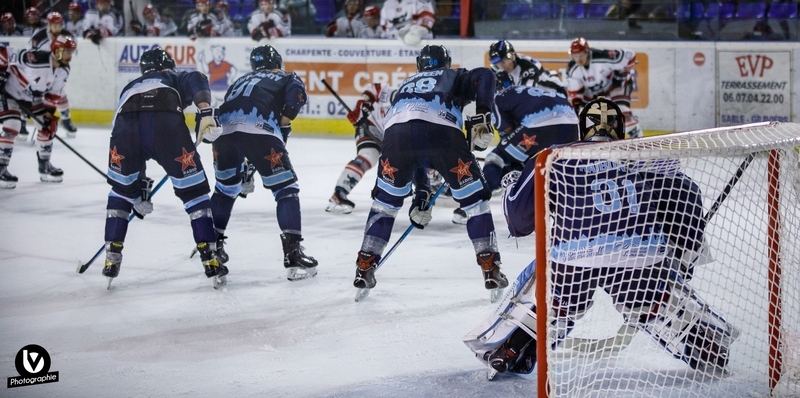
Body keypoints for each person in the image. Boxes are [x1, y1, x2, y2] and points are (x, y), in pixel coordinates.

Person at [464, 98, 738, 376]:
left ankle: (511, 349)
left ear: (582, 131)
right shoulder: (646, 155)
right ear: (620, 131)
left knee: (554, 299)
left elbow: (519, 221)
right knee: (655, 301)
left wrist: (512, 185)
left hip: (573, 255)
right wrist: (682, 258)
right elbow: (687, 195)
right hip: (639, 253)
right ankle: (705, 347)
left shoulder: (553, 156)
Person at [352, 44, 509, 298]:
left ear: (419, 65)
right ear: (445, 63)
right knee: (474, 203)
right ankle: (490, 268)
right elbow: (485, 75)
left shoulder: (405, 85)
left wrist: (421, 195)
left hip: (395, 139)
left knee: (385, 205)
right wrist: (482, 116)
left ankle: (364, 266)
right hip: (443, 134)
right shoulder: (452, 75)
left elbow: (415, 147)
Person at [100, 47, 227, 289]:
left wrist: (136, 189)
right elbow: (196, 77)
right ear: (166, 66)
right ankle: (210, 258)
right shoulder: (170, 76)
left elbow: (131, 129)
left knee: (120, 192)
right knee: (194, 193)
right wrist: (205, 110)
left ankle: (111, 258)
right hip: (166, 124)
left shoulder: (130, 86)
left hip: (125, 128)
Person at [210, 45, 318, 281]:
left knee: (225, 189)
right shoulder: (286, 76)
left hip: (223, 134)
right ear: (277, 63)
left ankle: (212, 247)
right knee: (285, 190)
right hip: (260, 129)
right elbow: (294, 100)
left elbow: (236, 115)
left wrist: (246, 168)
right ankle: (293, 252)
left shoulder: (240, 80)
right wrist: (283, 125)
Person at [450, 72, 580, 225]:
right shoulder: (524, 91)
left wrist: (504, 168)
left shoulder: (496, 98)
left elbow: (508, 133)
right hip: (572, 124)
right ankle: (567, 207)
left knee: (496, 158)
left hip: (539, 126)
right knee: (554, 166)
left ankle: (474, 206)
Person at [0, 35, 76, 189]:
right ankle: (1, 167)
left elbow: (53, 95)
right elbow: (3, 52)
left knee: (48, 128)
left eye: (71, 52)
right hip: (10, 92)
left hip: (32, 98)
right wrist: (1, 74)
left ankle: (44, 166)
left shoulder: (64, 70)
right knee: (12, 126)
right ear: (57, 51)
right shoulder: (36, 58)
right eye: (67, 52)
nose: (70, 55)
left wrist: (48, 116)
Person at [325, 82, 394, 213]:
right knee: (369, 156)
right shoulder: (395, 95)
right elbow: (375, 88)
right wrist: (363, 106)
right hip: (370, 126)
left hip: (390, 136)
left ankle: (430, 187)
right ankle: (339, 193)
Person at [566, 37, 642, 138]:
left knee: (623, 113)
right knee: (580, 119)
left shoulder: (603, 56)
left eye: (581, 55)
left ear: (587, 52)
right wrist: (577, 107)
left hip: (615, 88)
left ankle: (639, 142)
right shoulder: (572, 69)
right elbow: (576, 93)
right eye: (575, 56)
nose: (579, 60)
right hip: (594, 92)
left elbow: (630, 55)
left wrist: (619, 79)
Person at [29, 12, 79, 136]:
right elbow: (30, 55)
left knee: (59, 92)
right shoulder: (39, 37)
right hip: (39, 71)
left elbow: (72, 50)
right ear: (49, 25)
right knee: (26, 94)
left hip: (56, 69)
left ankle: (66, 120)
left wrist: (49, 113)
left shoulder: (67, 36)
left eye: (59, 25)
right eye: (54, 25)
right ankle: (20, 124)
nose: (57, 28)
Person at [488, 40, 566, 96]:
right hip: (537, 101)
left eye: (504, 61)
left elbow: (526, 96)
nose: (501, 66)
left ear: (512, 56)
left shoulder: (529, 66)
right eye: (497, 63)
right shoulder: (496, 72)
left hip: (554, 94)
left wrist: (507, 87)